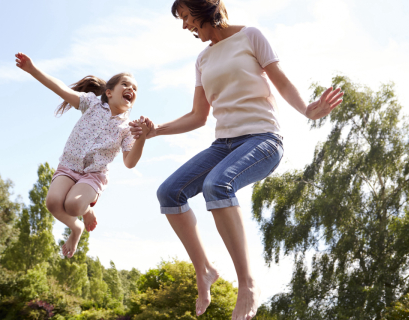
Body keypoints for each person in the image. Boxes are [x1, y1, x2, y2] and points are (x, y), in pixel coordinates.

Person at [129, 0, 344, 319]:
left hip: (263, 139)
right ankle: (204, 271)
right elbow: (198, 116)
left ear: (203, 8)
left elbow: (280, 81)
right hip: (224, 144)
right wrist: (154, 131)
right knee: (169, 192)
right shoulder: (202, 59)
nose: (185, 25)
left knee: (218, 184)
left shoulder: (251, 36)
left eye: (186, 17)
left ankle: (248, 285)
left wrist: (308, 110)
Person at [15, 52, 150, 258]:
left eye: (135, 88)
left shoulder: (127, 128)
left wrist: (141, 138)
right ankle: (77, 227)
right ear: (109, 92)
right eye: (125, 84)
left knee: (73, 205)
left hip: (93, 175)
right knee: (52, 202)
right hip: (69, 167)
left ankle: (84, 210)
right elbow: (60, 88)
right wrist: (33, 69)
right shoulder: (91, 103)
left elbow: (130, 163)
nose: (131, 89)